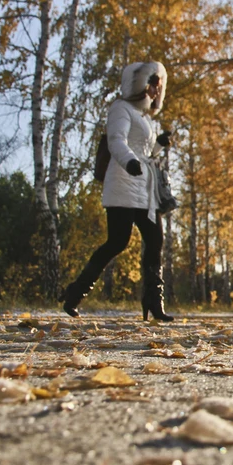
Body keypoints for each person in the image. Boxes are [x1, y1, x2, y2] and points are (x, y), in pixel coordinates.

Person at [60, 61, 175, 321]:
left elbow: (145, 153)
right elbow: (116, 141)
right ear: (141, 83)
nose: (156, 90)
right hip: (122, 183)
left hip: (145, 189)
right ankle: (75, 293)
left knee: (156, 241)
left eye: (159, 86)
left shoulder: (146, 117)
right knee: (117, 242)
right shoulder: (120, 109)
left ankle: (154, 302)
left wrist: (157, 145)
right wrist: (129, 161)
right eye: (153, 84)